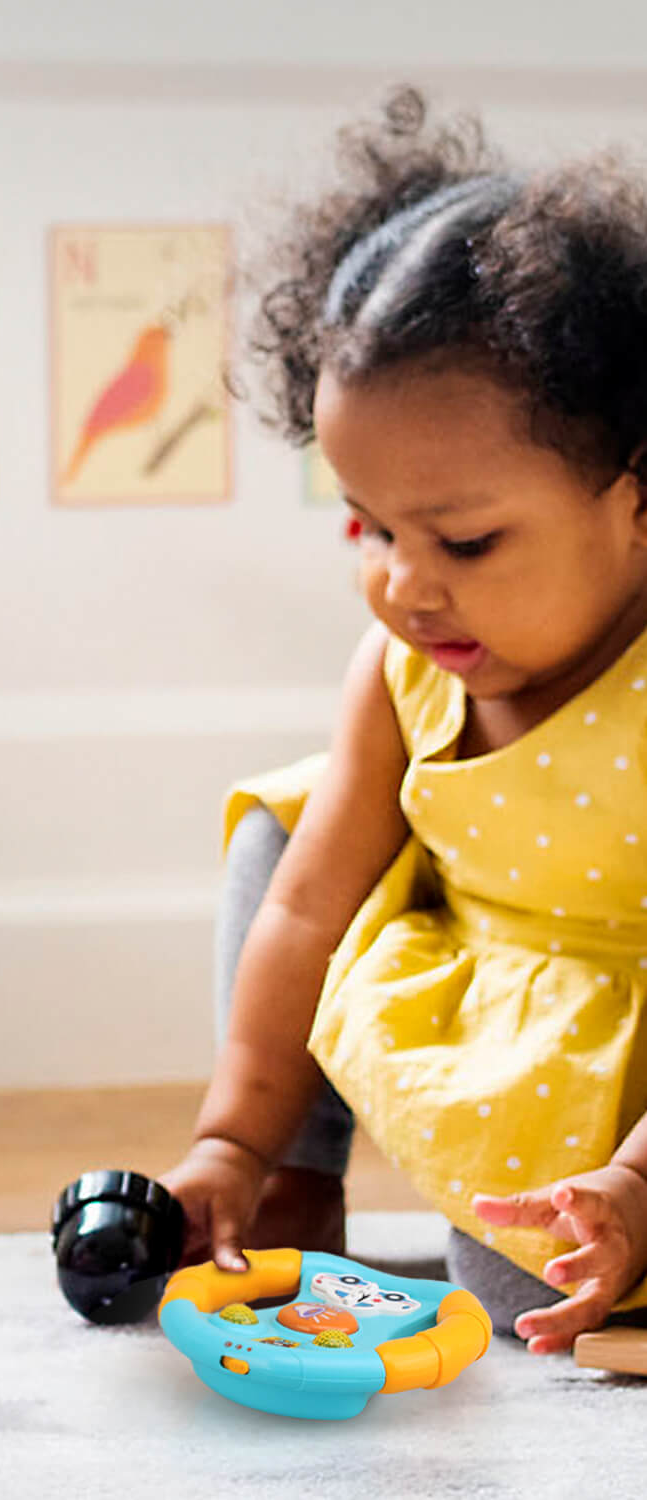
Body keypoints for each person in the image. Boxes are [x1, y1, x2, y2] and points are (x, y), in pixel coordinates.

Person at [160, 86, 647, 1357]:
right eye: (371, 526)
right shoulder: (403, 664)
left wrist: (633, 1189)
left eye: (466, 540)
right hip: (478, 986)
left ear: (639, 501)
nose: (403, 584)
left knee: (523, 1298)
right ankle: (290, 1179)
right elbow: (312, 908)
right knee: (280, 834)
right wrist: (230, 1136)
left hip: (627, 1063)